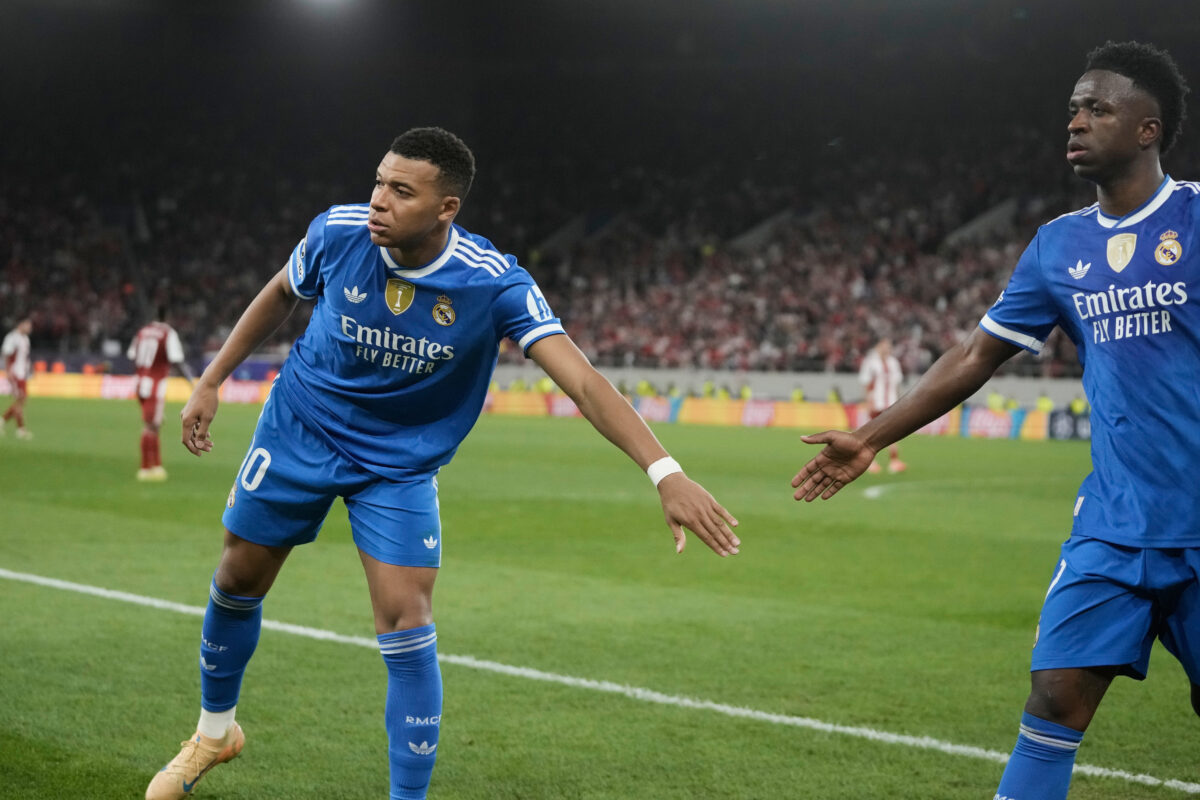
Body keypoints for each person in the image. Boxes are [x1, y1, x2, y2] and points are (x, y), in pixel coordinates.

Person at [146, 127, 740, 800]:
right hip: (300, 429)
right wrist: (211, 379)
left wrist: (665, 472)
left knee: (407, 620)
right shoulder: (337, 232)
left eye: (402, 191)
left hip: (397, 463)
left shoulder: (493, 283)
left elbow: (581, 380)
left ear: (446, 208)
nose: (378, 200)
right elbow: (283, 291)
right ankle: (214, 733)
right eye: (378, 182)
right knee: (237, 577)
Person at [792, 41, 1195, 800]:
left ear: (1149, 129)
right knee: (1055, 698)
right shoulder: (1059, 246)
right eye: (1073, 108)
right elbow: (977, 354)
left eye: (1098, 108)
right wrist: (871, 438)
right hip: (1115, 526)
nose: (1076, 120)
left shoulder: (1198, 219)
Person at [128, 306, 196, 481]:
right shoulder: (167, 333)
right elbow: (177, 360)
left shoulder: (142, 332)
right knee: (150, 426)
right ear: (168, 317)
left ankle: (156, 466)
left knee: (155, 424)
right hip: (155, 385)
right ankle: (145, 468)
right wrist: (191, 382)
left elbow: (132, 355)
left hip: (140, 383)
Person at [856, 337, 905, 473]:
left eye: (889, 346)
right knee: (872, 433)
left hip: (891, 403)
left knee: (892, 432)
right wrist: (868, 401)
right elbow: (866, 383)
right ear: (878, 346)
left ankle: (894, 461)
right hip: (876, 403)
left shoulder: (893, 362)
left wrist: (899, 401)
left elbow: (897, 384)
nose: (887, 348)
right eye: (884, 345)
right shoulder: (871, 362)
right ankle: (868, 461)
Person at [1, 317, 33, 439]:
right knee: (20, 399)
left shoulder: (25, 339)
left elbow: (25, 357)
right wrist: (8, 372)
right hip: (15, 373)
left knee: (22, 400)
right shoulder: (12, 338)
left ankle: (2, 421)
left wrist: (28, 370)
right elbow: (6, 355)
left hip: (22, 374)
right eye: (27, 325)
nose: (29, 328)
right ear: (20, 325)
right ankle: (21, 430)